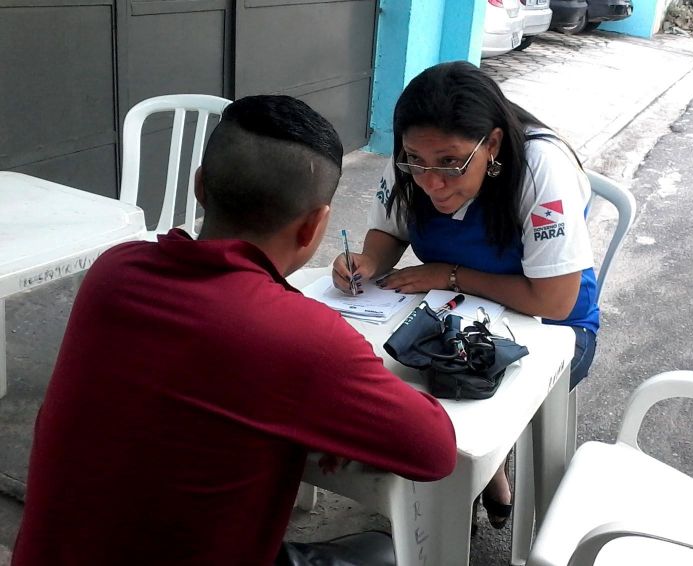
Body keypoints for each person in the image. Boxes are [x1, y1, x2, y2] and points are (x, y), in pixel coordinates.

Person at [12, 95, 457, 566]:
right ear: (315, 226)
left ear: (201, 187)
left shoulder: (114, 271)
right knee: (383, 552)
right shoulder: (302, 338)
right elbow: (434, 450)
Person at [332, 61, 598, 532]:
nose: (431, 180)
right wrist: (369, 262)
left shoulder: (540, 167)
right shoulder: (414, 160)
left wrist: (449, 275)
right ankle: (469, 487)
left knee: (451, 400)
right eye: (416, 160)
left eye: (452, 163)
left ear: (491, 144)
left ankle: (456, 500)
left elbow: (556, 300)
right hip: (455, 316)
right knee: (383, 377)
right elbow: (387, 232)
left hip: (553, 332)